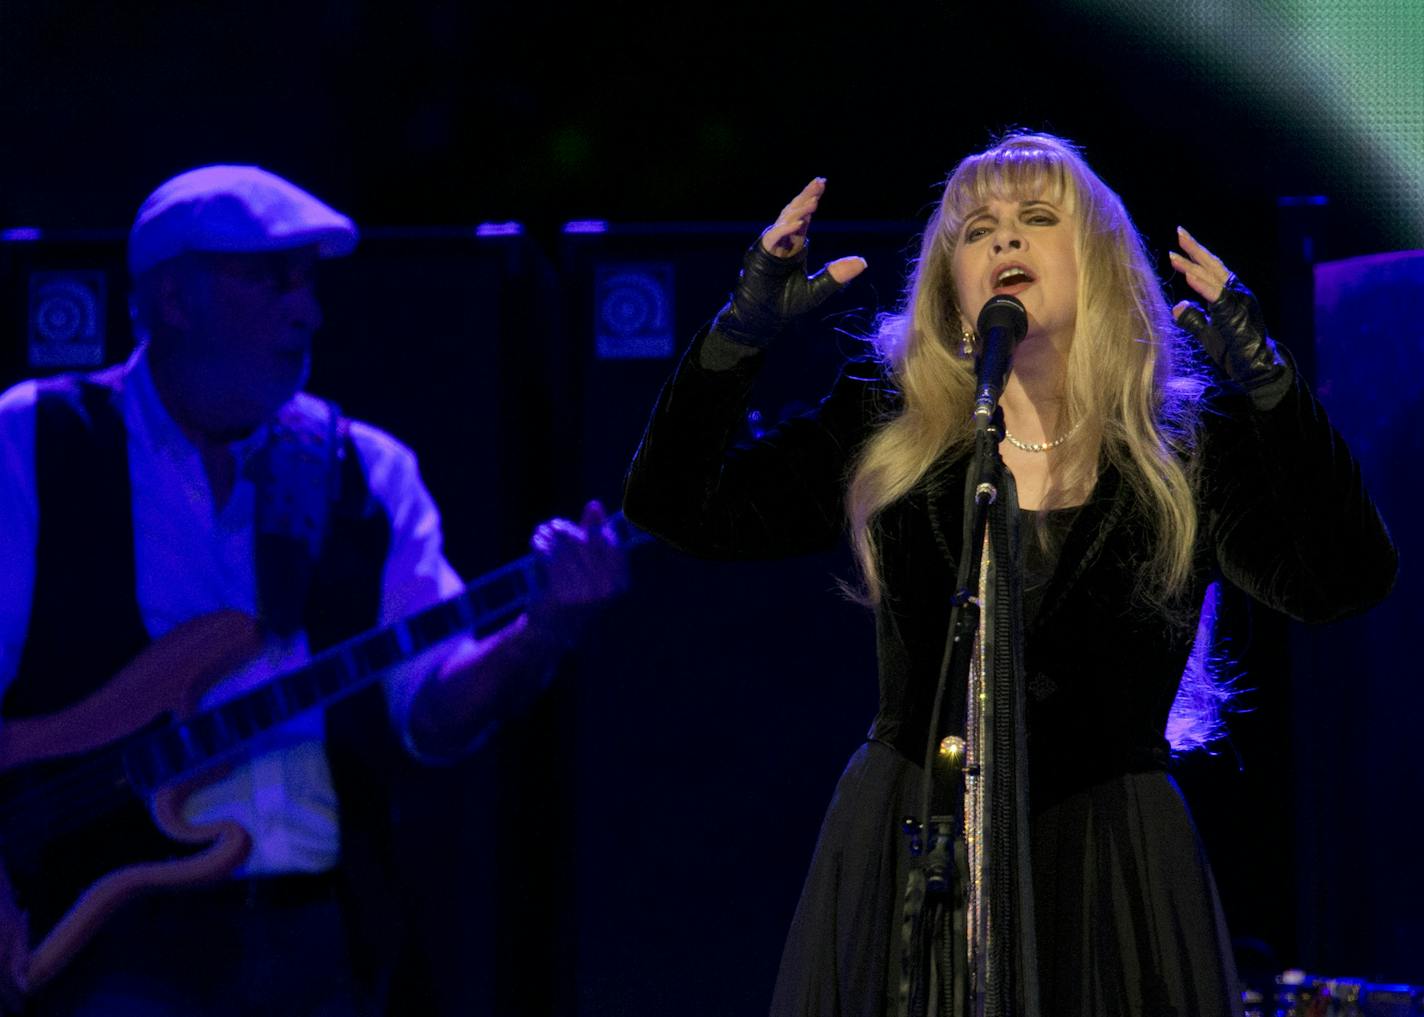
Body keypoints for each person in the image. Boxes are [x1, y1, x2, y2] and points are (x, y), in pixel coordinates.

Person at [623, 133, 1396, 1017]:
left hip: (1114, 867)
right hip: (916, 848)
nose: (1003, 243)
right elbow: (677, 506)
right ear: (951, 283)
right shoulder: (891, 420)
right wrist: (738, 332)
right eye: (975, 229)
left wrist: (1271, 386)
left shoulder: (1183, 452)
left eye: (1035, 219)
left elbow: (1346, 579)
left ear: (1102, 262)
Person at [0, 165, 626, 1015]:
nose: (310, 310)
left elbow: (431, 715)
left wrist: (542, 635)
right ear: (174, 298)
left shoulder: (363, 468)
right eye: (273, 279)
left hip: (324, 940)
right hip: (102, 941)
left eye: (311, 282)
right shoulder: (33, 441)